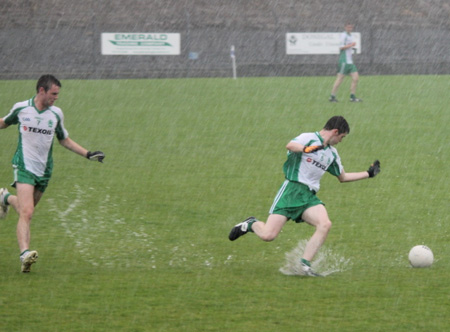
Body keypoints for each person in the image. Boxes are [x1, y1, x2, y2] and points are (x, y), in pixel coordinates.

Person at [228, 116, 380, 277]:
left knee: (325, 224)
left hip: (308, 197)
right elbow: (290, 145)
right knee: (268, 235)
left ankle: (304, 266)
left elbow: (343, 177)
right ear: (335, 132)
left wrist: (368, 174)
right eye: (342, 137)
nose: (341, 141)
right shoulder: (308, 138)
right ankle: (250, 224)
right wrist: (305, 149)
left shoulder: (332, 154)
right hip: (291, 190)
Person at [0, 74, 105, 273]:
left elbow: (64, 139)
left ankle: (4, 197)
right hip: (24, 166)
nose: (56, 97)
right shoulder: (22, 108)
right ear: (42, 90)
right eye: (53, 94)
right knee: (27, 212)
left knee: (25, 209)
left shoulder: (56, 114)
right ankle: (24, 254)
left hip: (44, 170)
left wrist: (88, 154)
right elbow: (3, 122)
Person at [329, 23, 362, 102]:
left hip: (350, 61)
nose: (350, 28)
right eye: (348, 27)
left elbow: (348, 46)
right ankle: (332, 97)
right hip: (344, 61)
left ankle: (352, 97)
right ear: (345, 27)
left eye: (351, 27)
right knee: (340, 79)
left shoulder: (350, 35)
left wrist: (351, 46)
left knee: (356, 78)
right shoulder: (344, 35)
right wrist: (351, 45)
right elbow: (341, 47)